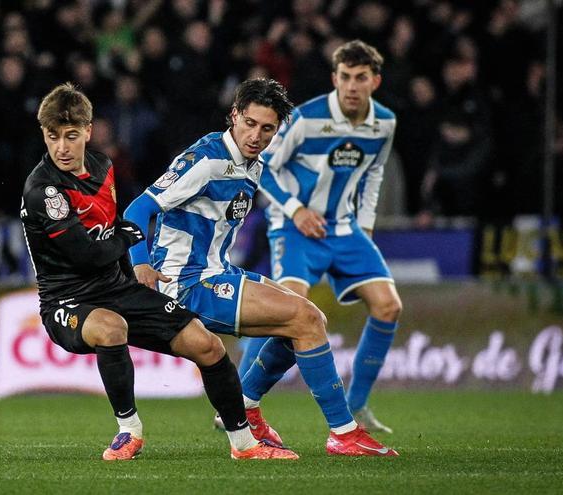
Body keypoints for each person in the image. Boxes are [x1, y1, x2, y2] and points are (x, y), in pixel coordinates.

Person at [20, 83, 295, 461]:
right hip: (66, 301)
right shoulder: (44, 191)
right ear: (44, 135)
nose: (62, 148)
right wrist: (131, 242)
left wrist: (129, 255)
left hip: (117, 289)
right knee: (110, 327)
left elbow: (113, 229)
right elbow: (86, 254)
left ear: (88, 131)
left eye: (71, 136)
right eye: (53, 137)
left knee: (208, 346)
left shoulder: (103, 167)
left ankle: (244, 445)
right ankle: (128, 431)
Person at [125, 77, 397, 456]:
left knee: (309, 319)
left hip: (219, 271)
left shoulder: (252, 164)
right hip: (187, 282)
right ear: (234, 116)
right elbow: (136, 210)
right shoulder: (207, 160)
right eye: (249, 123)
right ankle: (342, 432)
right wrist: (140, 265)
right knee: (304, 318)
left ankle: (247, 407)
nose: (256, 135)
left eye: (267, 128)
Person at [252, 40, 402, 434]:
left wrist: (365, 227)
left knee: (388, 306)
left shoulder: (384, 123)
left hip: (345, 229)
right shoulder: (306, 118)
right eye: (345, 77)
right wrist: (295, 210)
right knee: (289, 311)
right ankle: (240, 400)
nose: (352, 86)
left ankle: (358, 405)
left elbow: (373, 176)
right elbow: (264, 167)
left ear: (375, 81)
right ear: (335, 79)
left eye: (361, 78)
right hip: (295, 227)